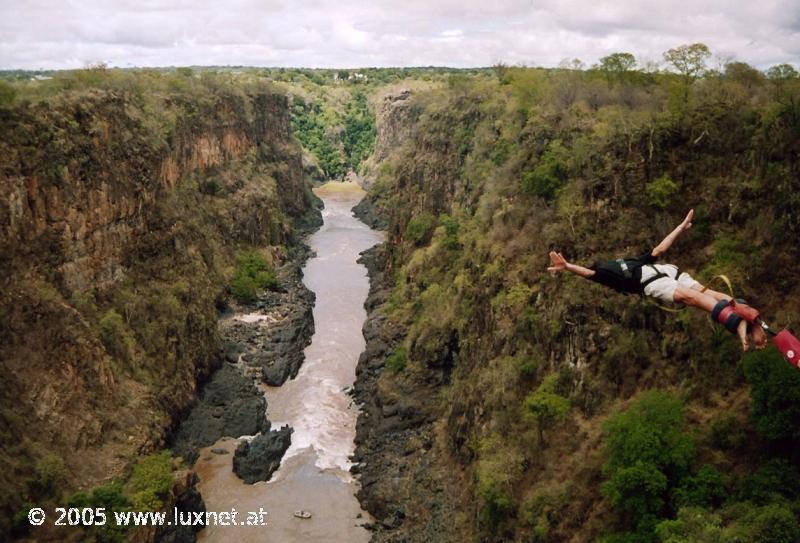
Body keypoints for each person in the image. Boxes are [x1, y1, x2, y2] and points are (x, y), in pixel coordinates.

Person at [547, 209, 768, 351]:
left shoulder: (631, 260)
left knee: (709, 294)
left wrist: (680, 227)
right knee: (692, 296)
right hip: (652, 283)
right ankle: (737, 322)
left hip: (666, 271)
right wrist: (567, 267)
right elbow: (587, 273)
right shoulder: (606, 274)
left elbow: (660, 247)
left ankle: (750, 321)